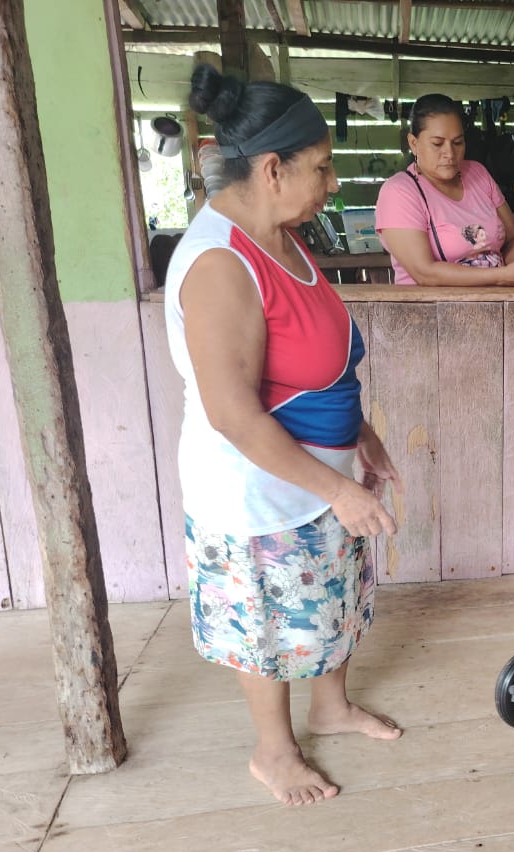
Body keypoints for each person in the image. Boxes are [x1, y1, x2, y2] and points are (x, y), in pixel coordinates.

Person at [165, 64, 403, 806]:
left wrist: (359, 436)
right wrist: (338, 488)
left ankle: (330, 708)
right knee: (266, 622)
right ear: (273, 169)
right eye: (321, 167)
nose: (332, 182)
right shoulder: (220, 262)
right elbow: (233, 413)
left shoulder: (282, 237)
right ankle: (273, 751)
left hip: (317, 470)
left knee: (332, 595)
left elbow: (316, 358)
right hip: (257, 486)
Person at [376, 93, 514, 286]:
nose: (450, 153)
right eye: (437, 144)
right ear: (414, 143)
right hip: (432, 305)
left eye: (457, 142)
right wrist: (502, 277)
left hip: (498, 301)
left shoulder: (478, 174)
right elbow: (425, 273)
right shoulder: (399, 193)